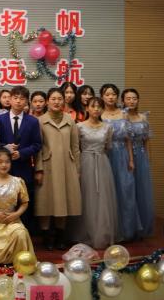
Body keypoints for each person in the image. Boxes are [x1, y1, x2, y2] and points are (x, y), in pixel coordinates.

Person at [35, 87, 82, 251]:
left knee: (64, 201)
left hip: (67, 166)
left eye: (59, 99)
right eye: (53, 99)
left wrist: (77, 169)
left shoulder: (70, 120)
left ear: (64, 101)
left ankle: (60, 236)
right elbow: (38, 148)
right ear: (47, 101)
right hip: (47, 165)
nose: (56, 102)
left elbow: (75, 147)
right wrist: (38, 169)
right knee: (45, 202)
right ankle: (47, 236)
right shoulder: (40, 121)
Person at [0, 86, 43, 235]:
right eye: (15, 98)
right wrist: (6, 148)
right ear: (9, 100)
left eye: (22, 98)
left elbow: (37, 144)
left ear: (26, 102)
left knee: (24, 204)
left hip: (24, 168)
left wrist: (22, 153)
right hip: (4, 169)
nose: (18, 101)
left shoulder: (33, 121)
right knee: (4, 203)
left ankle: (23, 237)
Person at [74, 98, 118, 249]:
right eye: (93, 106)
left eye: (99, 107)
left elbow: (108, 146)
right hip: (85, 161)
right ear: (87, 108)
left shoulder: (107, 127)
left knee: (102, 198)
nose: (96, 109)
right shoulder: (79, 126)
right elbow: (76, 147)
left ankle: (102, 233)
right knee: (86, 196)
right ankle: (84, 232)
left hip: (102, 163)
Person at [100, 83, 141, 242]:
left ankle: (127, 230)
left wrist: (131, 159)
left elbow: (128, 139)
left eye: (113, 94)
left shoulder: (124, 114)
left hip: (122, 155)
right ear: (102, 96)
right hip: (105, 156)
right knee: (108, 193)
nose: (110, 97)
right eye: (107, 94)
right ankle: (111, 231)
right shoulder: (99, 113)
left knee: (126, 190)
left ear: (117, 97)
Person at [123, 88, 155, 238]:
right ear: (123, 101)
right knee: (128, 191)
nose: (131, 101)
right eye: (128, 98)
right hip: (125, 156)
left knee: (143, 190)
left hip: (141, 156)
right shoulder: (122, 117)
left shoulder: (143, 117)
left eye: (134, 98)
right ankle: (130, 227)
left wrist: (148, 158)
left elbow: (147, 140)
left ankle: (143, 226)